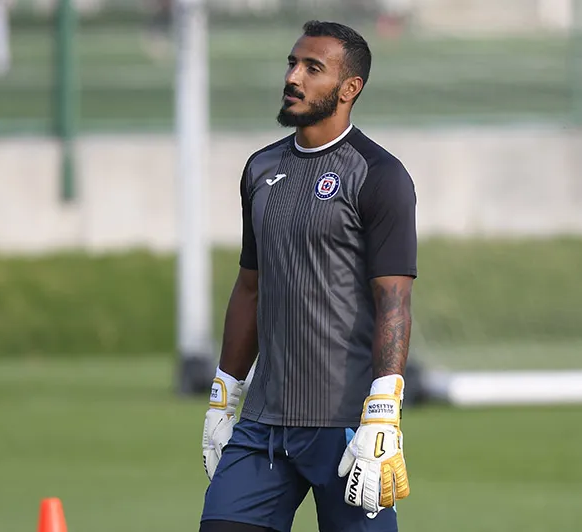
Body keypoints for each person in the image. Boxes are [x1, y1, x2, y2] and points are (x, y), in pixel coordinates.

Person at [199, 20, 418, 532]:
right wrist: (225, 394)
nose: (294, 76)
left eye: (312, 68)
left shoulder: (379, 175)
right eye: (292, 63)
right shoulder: (259, 170)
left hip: (345, 428)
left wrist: (383, 411)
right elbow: (250, 287)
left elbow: (394, 300)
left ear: (349, 89)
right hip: (262, 425)